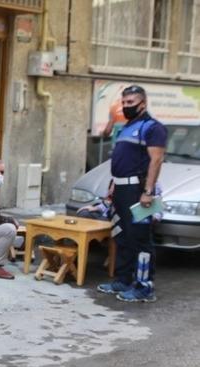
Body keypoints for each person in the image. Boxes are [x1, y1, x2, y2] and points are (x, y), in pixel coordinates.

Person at [97, 85, 166, 303]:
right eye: (124, 102)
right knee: (122, 236)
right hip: (120, 190)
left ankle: (144, 287)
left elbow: (156, 160)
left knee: (141, 239)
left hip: (138, 191)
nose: (126, 106)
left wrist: (148, 192)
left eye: (131, 102)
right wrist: (114, 185)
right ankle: (123, 280)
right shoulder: (126, 127)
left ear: (142, 104)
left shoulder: (152, 127)